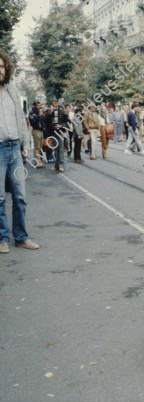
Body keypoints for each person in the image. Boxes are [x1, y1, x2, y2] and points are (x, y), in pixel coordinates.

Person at [0, 51, 39, 254]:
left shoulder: (12, 90)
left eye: (1, 67)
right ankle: (2, 238)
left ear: (6, 69)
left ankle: (22, 237)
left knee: (20, 196)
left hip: (15, 148)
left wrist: (26, 145)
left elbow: (22, 120)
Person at [45, 98, 69, 171]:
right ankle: (56, 165)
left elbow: (67, 122)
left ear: (57, 103)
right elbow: (46, 121)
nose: (54, 105)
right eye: (52, 104)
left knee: (61, 148)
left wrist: (61, 126)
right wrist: (50, 112)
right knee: (55, 149)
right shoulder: (49, 112)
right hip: (53, 132)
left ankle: (61, 165)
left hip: (60, 132)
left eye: (55, 103)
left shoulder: (62, 112)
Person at [28, 100, 45, 168]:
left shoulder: (39, 112)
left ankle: (39, 160)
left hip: (41, 130)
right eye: (37, 105)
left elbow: (42, 121)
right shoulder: (32, 113)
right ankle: (37, 162)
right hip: (36, 130)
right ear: (34, 106)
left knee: (40, 147)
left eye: (39, 105)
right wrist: (39, 116)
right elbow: (33, 122)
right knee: (37, 147)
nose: (39, 106)